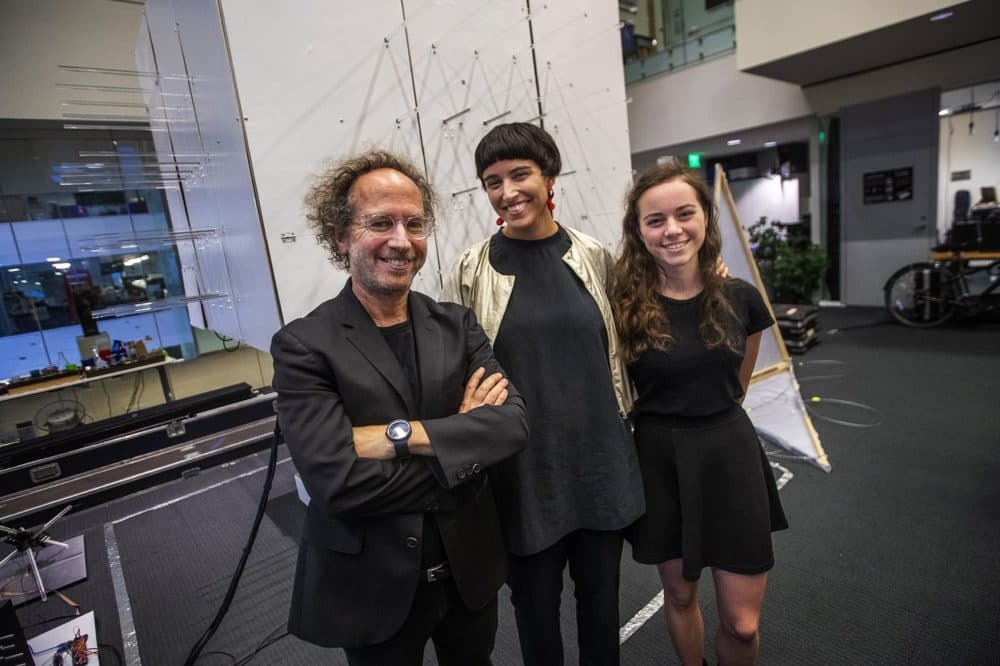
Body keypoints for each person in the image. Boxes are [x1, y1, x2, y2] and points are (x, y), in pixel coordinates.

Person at [270, 150, 529, 665]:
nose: (400, 240)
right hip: (372, 586)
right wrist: (461, 447)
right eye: (380, 223)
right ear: (341, 236)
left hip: (468, 575)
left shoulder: (457, 326)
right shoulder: (304, 345)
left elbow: (511, 425)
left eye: (414, 224)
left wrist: (397, 436)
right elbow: (336, 480)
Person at [441, 122, 644, 666]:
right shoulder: (470, 270)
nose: (507, 193)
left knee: (602, 608)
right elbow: (452, 368)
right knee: (534, 612)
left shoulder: (594, 256)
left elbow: (636, 334)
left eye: (520, 174)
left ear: (549, 176)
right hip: (522, 476)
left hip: (599, 464)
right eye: (492, 181)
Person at [611, 162, 788, 665]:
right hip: (660, 458)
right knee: (681, 596)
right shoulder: (623, 304)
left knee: (742, 622)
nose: (672, 230)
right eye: (655, 220)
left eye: (684, 214)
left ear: (705, 219)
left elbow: (738, 384)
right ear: (638, 231)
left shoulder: (739, 298)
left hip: (728, 454)